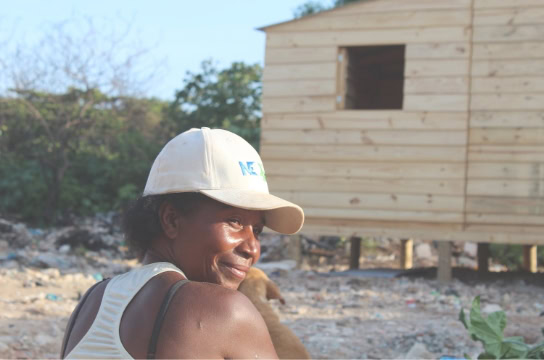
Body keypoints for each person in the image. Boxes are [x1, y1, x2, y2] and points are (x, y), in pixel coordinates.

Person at [60, 127, 304, 359]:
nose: (252, 248)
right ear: (171, 220)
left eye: (258, 230)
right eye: (234, 221)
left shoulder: (93, 301)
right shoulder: (224, 310)